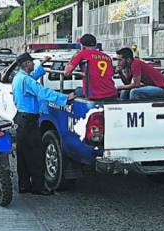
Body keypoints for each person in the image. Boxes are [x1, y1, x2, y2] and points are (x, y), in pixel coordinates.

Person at [12, 52, 75, 196]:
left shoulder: (19, 77)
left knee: (22, 154)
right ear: (27, 64)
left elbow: (32, 77)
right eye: (32, 63)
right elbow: (42, 92)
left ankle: (24, 185)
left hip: (20, 119)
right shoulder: (26, 80)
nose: (33, 64)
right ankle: (38, 187)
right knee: (36, 154)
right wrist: (65, 98)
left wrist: (42, 65)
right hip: (29, 121)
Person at [64, 34, 117, 100]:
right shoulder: (107, 57)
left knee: (77, 91)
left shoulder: (82, 54)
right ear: (95, 45)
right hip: (112, 93)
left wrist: (73, 58)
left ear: (82, 46)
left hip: (93, 94)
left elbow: (67, 73)